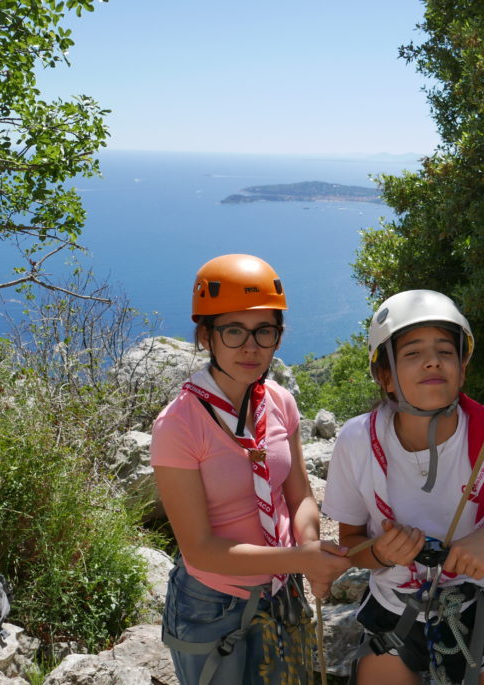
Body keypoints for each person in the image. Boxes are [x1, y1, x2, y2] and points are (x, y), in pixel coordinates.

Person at [323, 289, 484, 685]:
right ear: (385, 376)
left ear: (462, 369)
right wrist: (380, 554)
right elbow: (351, 545)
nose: (433, 360)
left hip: (480, 612)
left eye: (445, 351)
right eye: (413, 353)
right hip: (395, 617)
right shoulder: (357, 442)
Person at [151, 254, 351, 685]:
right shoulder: (178, 425)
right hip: (213, 602)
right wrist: (301, 557)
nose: (251, 346)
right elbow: (199, 548)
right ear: (206, 336)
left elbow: (298, 496)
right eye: (233, 330)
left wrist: (311, 547)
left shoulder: (279, 402)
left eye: (265, 331)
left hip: (282, 589)